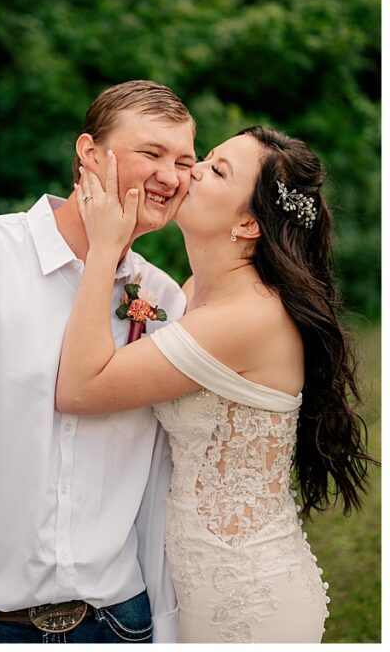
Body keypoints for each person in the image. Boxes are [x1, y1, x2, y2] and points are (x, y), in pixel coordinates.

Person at [0, 80, 198, 643]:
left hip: (121, 624)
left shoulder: (165, 299)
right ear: (88, 152)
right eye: (151, 153)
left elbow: (157, 486)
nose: (170, 176)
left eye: (184, 160)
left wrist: (165, 634)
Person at [56, 126, 373, 642]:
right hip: (191, 584)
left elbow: (81, 390)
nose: (192, 170)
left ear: (248, 223)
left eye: (217, 170)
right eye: (205, 158)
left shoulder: (250, 315)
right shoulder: (193, 293)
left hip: (247, 594)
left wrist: (104, 248)